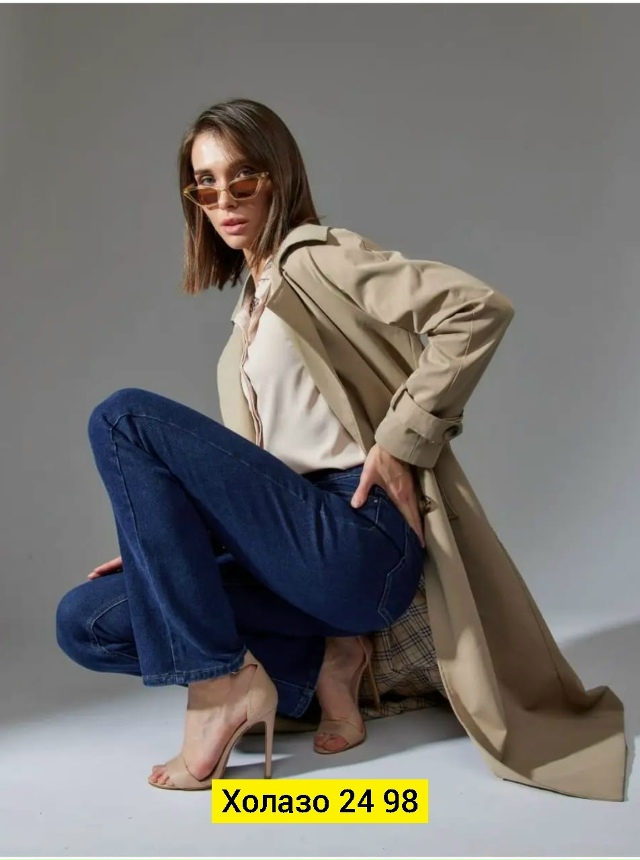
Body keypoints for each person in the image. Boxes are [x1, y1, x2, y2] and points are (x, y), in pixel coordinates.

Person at [56, 98, 626, 801]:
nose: (224, 200)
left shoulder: (315, 260)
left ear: (279, 175)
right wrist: (166, 547)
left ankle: (220, 687)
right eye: (205, 184)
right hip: (297, 559)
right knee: (85, 621)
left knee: (123, 420)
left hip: (358, 543)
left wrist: (400, 441)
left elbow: (477, 309)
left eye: (243, 178)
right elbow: (264, 481)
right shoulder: (246, 316)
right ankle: (322, 670)